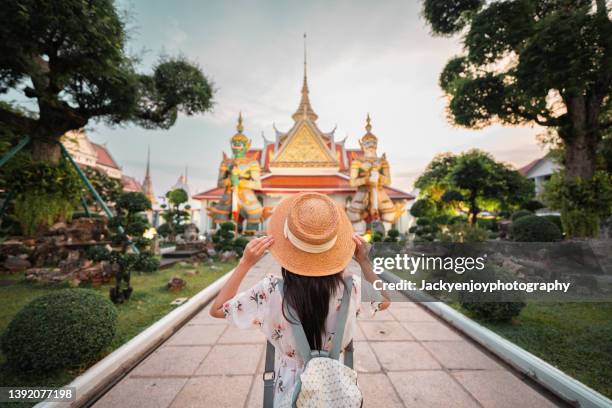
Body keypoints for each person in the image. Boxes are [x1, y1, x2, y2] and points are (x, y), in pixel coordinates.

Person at [210, 192, 390, 406]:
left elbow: (218, 309)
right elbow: (384, 300)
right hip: (335, 392)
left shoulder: (270, 291)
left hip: (289, 390)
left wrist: (245, 263)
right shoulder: (351, 289)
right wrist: (364, 261)